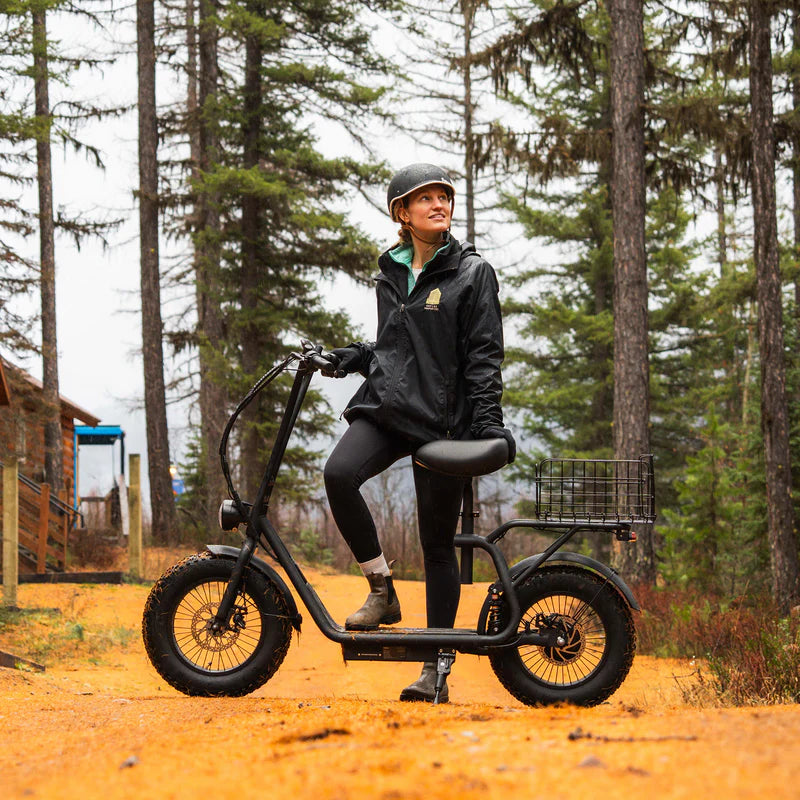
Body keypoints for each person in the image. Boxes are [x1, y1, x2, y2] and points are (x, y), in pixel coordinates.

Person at [320, 163, 515, 703]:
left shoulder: (472, 274)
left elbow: (483, 356)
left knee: (436, 546)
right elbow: (394, 346)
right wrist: (353, 357)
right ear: (402, 214)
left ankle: (436, 669)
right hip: (388, 409)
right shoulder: (391, 272)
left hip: (442, 425)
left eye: (444, 197)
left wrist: (486, 425)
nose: (439, 205)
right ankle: (381, 589)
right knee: (338, 474)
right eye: (425, 198)